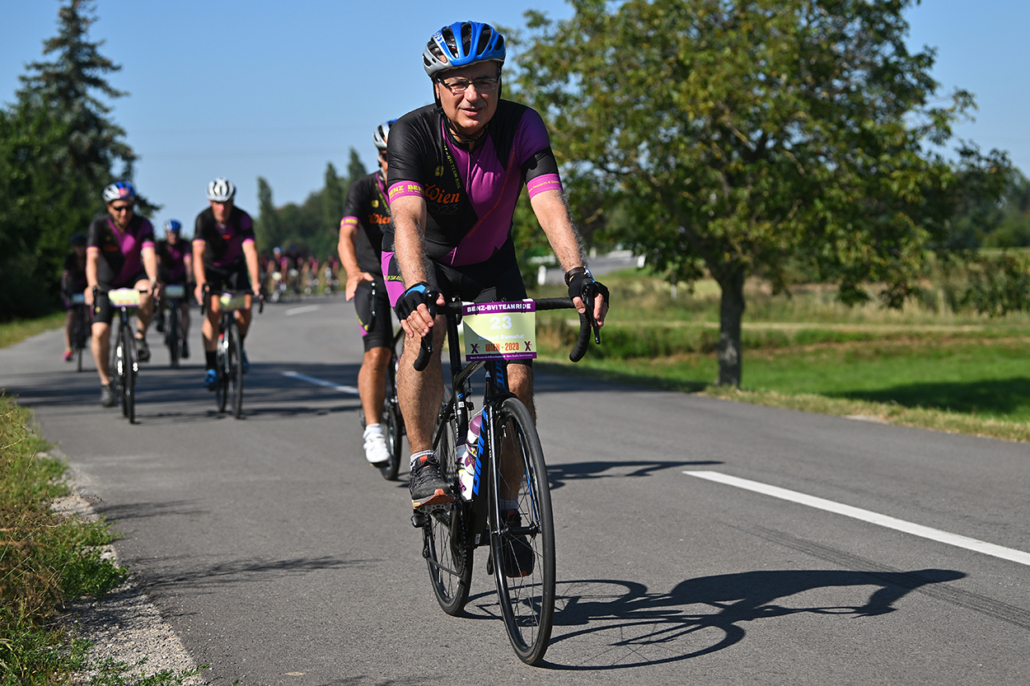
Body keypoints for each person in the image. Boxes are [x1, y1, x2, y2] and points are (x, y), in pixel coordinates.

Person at [385, 22, 609, 512]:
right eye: (458, 83)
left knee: (518, 384)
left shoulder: (522, 125)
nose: (473, 95)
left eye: (484, 80)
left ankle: (507, 511)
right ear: (437, 87)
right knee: (425, 332)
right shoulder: (411, 132)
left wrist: (578, 274)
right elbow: (407, 219)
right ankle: (422, 461)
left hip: (491, 265)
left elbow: (548, 203)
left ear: (500, 80)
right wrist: (417, 287)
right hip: (426, 260)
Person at [338, 120, 397, 467]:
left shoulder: (420, 184)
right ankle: (374, 428)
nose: (393, 162)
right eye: (387, 156)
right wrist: (352, 272)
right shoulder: (363, 189)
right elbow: (346, 236)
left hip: (408, 276)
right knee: (378, 353)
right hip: (371, 275)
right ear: (379, 157)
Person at [83, 182, 159, 407]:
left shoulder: (143, 225)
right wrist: (92, 285)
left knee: (147, 291)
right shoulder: (99, 226)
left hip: (133, 277)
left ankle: (140, 337)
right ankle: (106, 383)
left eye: (129, 207)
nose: (124, 213)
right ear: (109, 207)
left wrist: (154, 279)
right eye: (118, 208)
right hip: (105, 282)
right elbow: (92, 258)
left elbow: (149, 254)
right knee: (99, 332)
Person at [192, 178, 261, 389]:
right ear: (210, 202)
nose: (222, 208)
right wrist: (200, 283)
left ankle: (239, 345)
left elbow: (250, 251)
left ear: (233, 202)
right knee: (213, 310)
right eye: (217, 203)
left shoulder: (242, 218)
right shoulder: (203, 219)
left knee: (246, 305)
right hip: (211, 268)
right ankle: (211, 367)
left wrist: (256, 283)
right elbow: (197, 254)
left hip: (235, 266)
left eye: (226, 203)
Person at [154, 219, 192, 359]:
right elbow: (156, 263)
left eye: (175, 233)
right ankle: (160, 315)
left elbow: (188, 262)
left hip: (181, 280)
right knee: (160, 293)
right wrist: (157, 280)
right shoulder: (160, 245)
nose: (173, 236)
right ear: (166, 234)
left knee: (184, 309)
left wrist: (190, 280)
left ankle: (185, 341)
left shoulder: (185, 244)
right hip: (165, 280)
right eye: (170, 233)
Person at [61, 232, 89, 361]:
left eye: (82, 246)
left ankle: (88, 329)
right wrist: (65, 291)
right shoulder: (70, 259)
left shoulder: (90, 258)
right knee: (71, 315)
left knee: (89, 310)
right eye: (77, 246)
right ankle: (68, 348)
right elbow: (65, 276)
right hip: (72, 290)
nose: (80, 249)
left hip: (87, 290)